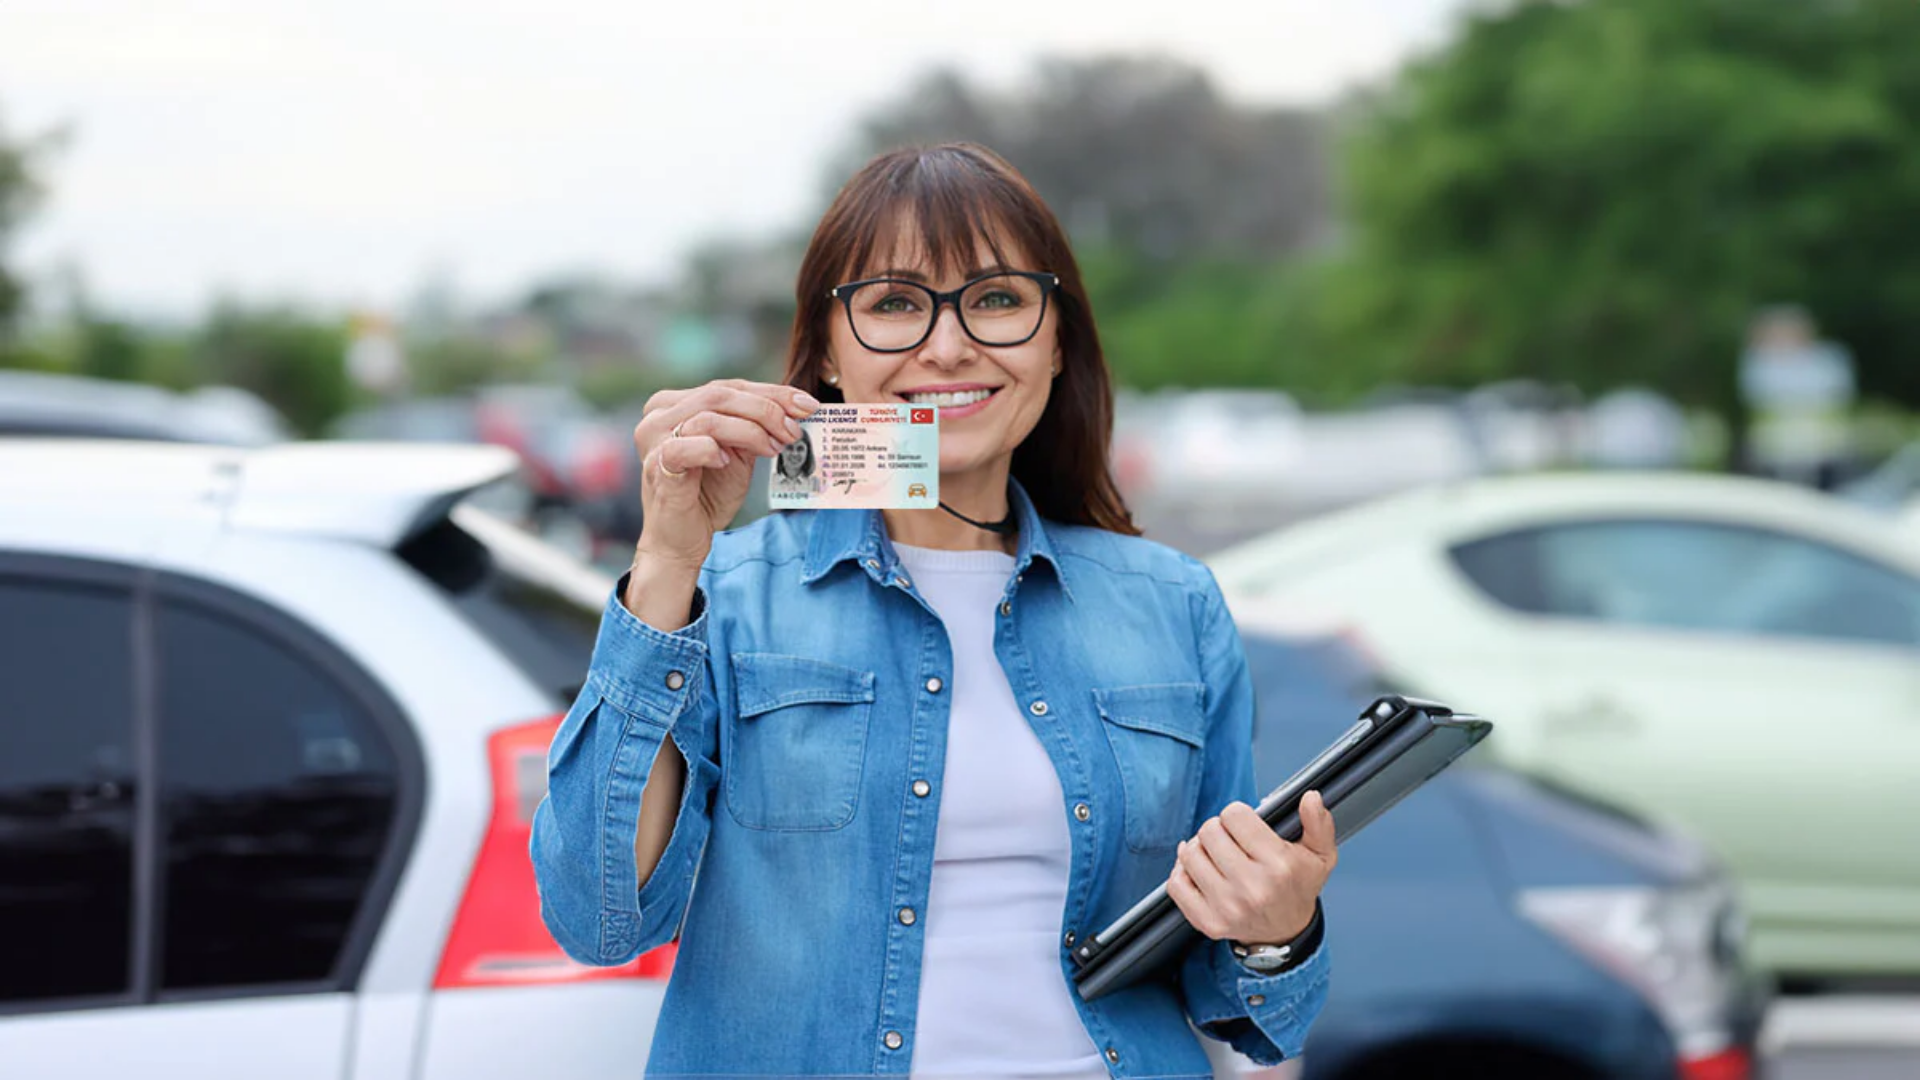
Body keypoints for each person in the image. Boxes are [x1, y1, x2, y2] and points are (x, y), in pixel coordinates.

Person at [531, 143, 1337, 1078]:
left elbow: (1234, 997)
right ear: (827, 355)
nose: (948, 346)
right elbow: (594, 919)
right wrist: (669, 555)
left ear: (1056, 340)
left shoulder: (1172, 605)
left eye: (997, 300)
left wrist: (1277, 931)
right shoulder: (728, 598)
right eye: (894, 305)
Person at [771, 425, 823, 496]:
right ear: (780, 451)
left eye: (800, 448)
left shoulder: (815, 484)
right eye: (789, 447)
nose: (795, 453)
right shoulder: (769, 483)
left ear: (807, 452)